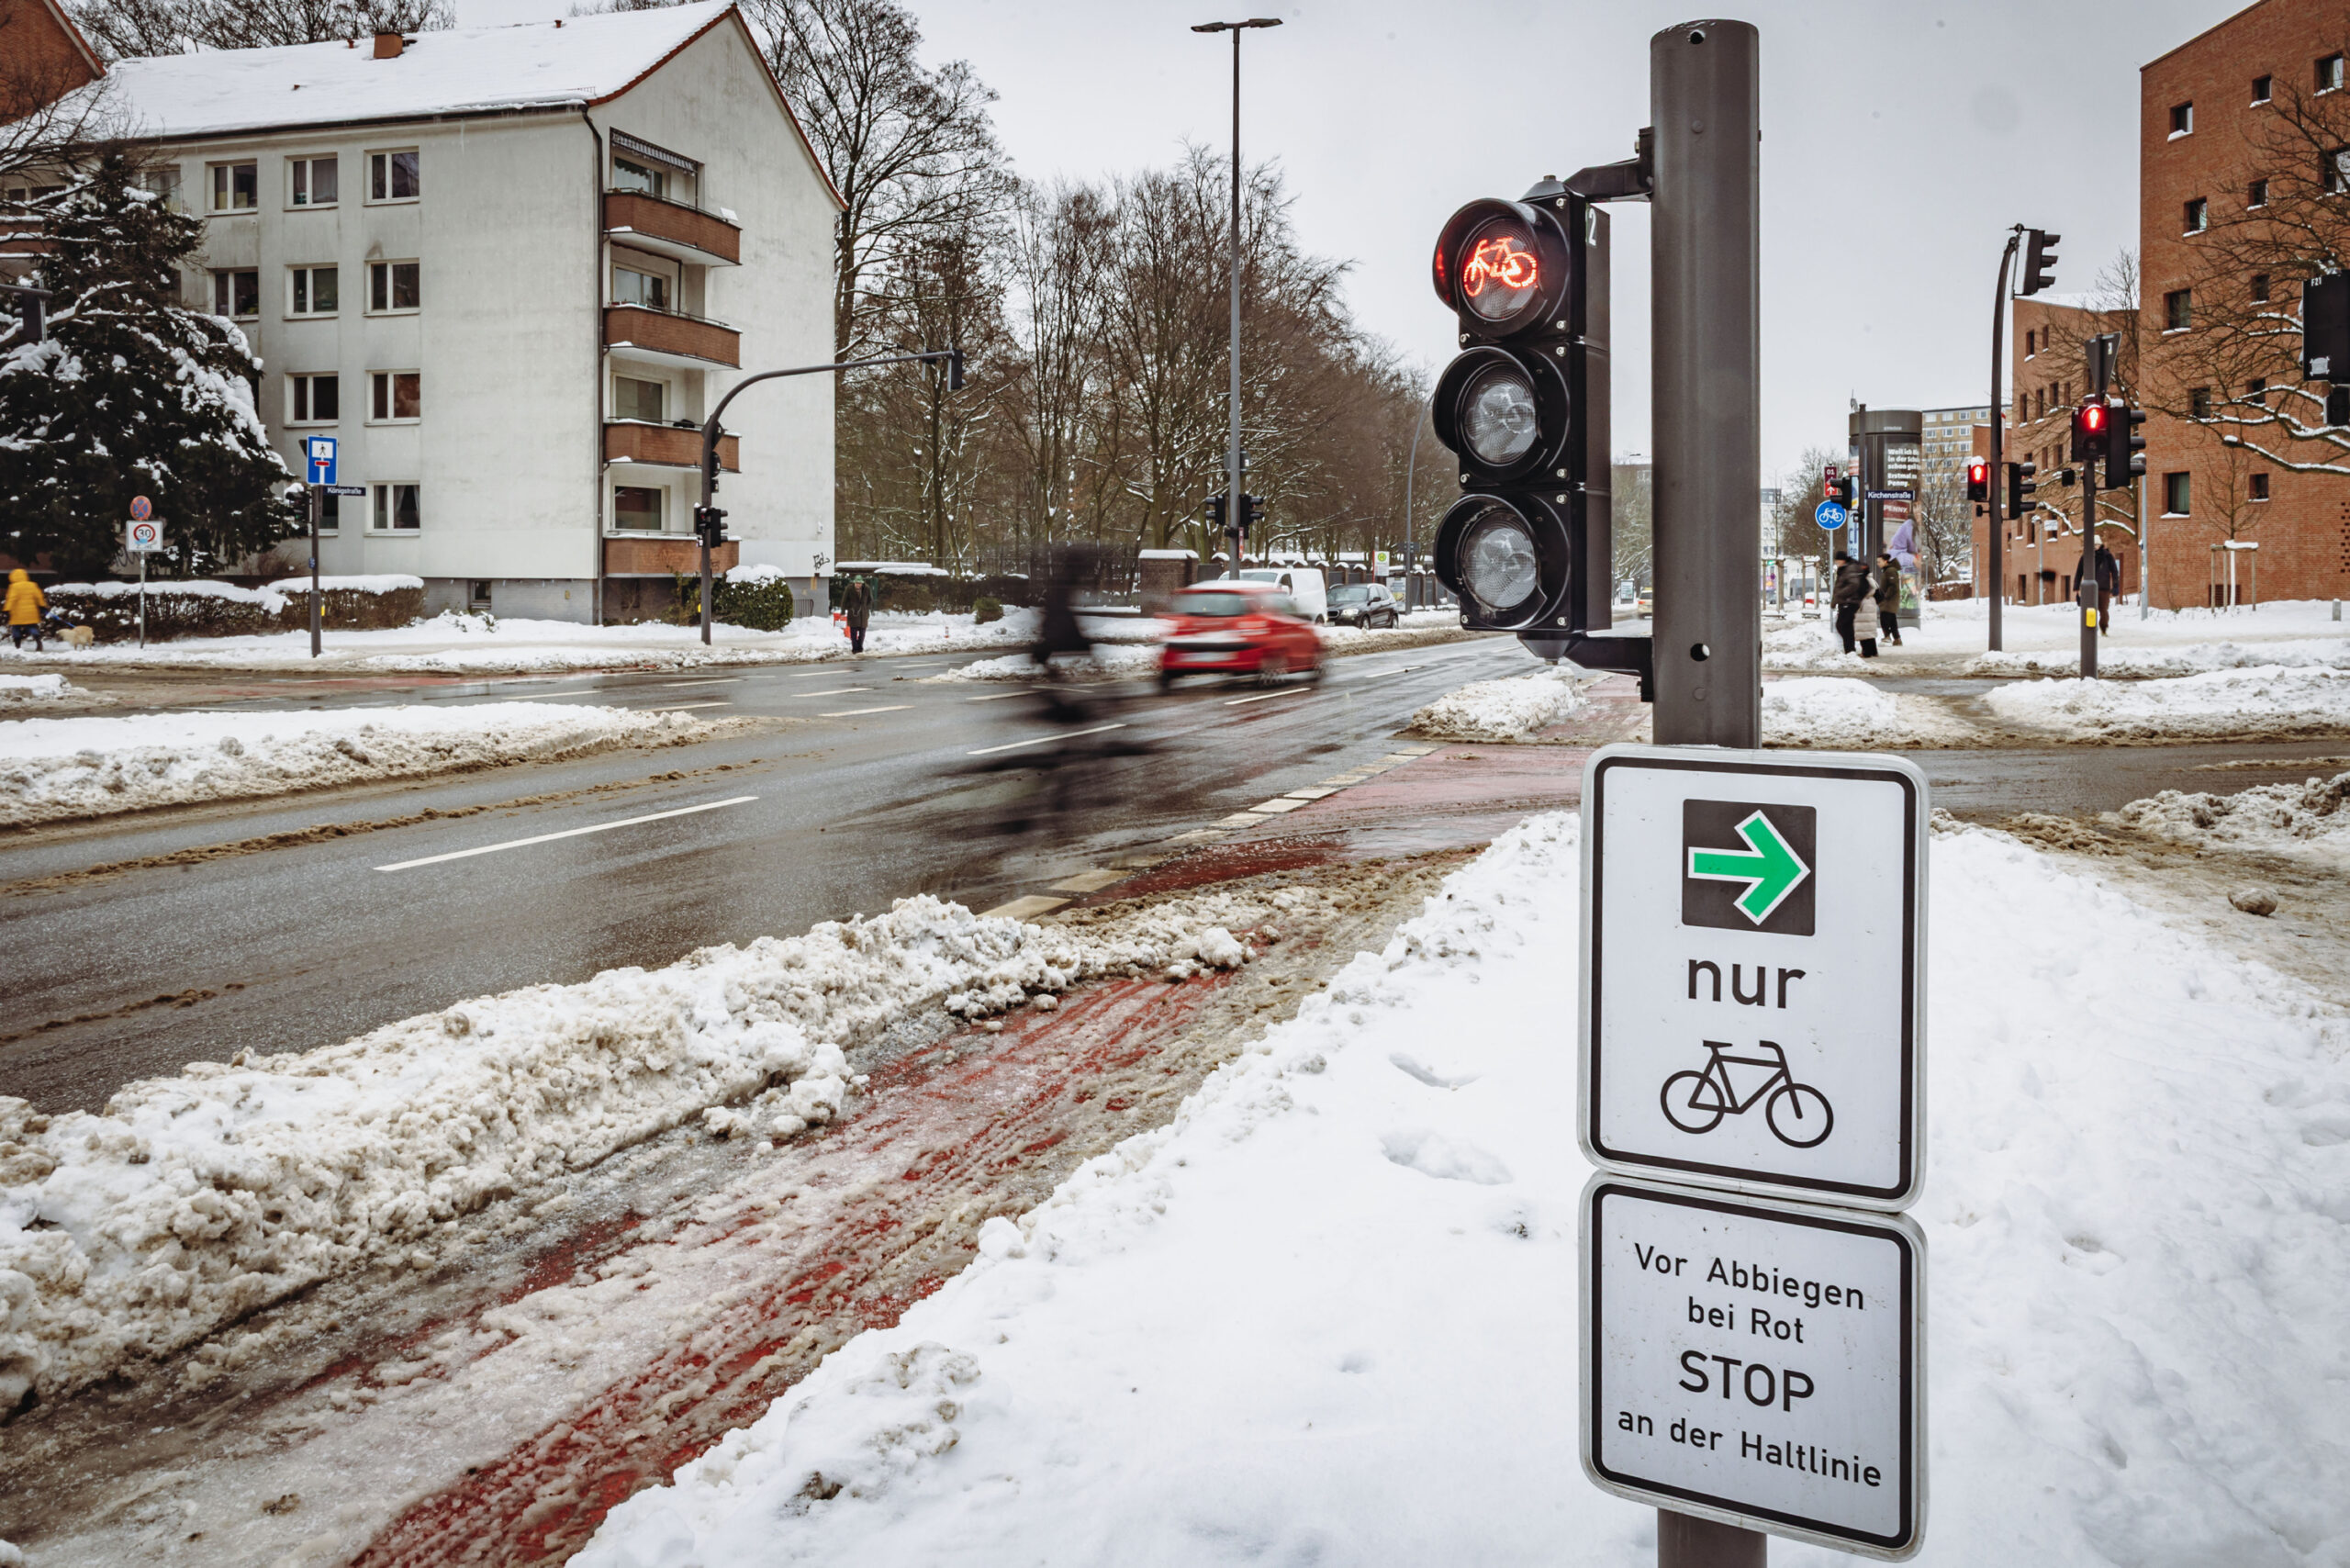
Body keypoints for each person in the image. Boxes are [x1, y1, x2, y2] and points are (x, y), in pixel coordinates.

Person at [1830, 552, 1873, 655]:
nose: (1836, 562)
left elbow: (1854, 584)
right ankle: (1850, 650)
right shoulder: (1846, 568)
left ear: (1842, 560)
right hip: (1847, 601)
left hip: (1850, 601)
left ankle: (1850, 650)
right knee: (1845, 626)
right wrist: (1835, 601)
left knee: (1842, 625)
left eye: (1837, 560)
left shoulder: (1850, 568)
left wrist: (1840, 595)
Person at [6, 568, 46, 651]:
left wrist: (6, 609)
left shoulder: (14, 586)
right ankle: (38, 642)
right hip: (31, 612)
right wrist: (42, 606)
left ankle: (17, 646)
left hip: (17, 613)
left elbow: (12, 599)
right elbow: (38, 597)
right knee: (32, 627)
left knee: (16, 628)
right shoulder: (32, 585)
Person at [1874, 552, 1904, 648]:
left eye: (1879, 562)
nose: (1878, 564)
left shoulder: (1890, 571)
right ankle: (1897, 639)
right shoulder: (1888, 570)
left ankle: (1887, 638)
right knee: (1892, 620)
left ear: (1885, 561)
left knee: (1885, 620)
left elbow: (1893, 586)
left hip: (1889, 601)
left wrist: (1885, 597)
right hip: (1890, 600)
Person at [2095, 539, 2122, 635]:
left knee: (2103, 610)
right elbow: (2080, 571)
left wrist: (2115, 586)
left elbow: (2114, 571)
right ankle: (2091, 629)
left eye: (2096, 544)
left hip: (2104, 587)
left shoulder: (2107, 556)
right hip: (2091, 588)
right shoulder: (2088, 556)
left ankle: (2103, 628)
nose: (2095, 547)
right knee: (2090, 609)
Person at [840, 572, 873, 655]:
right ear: (854, 582)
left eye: (860, 583)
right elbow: (844, 601)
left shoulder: (867, 589)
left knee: (862, 633)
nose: (858, 585)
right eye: (857, 583)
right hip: (853, 614)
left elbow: (870, 600)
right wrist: (844, 611)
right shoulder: (849, 588)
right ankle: (855, 649)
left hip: (863, 614)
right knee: (853, 633)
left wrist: (866, 607)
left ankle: (860, 648)